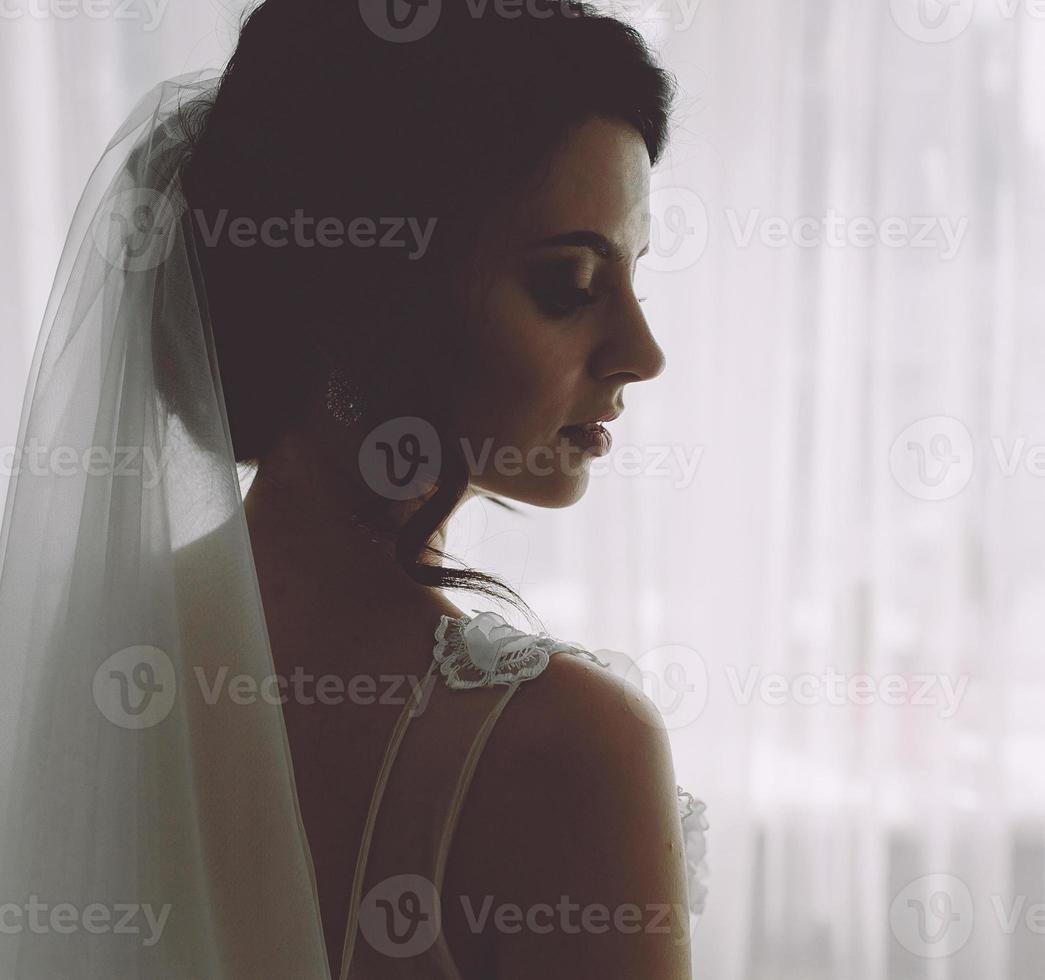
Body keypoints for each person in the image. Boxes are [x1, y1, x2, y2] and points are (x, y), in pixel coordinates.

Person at [0, 2, 707, 977]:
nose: (642, 353)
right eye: (568, 285)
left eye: (632, 279)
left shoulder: (71, 656)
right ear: (371, 305)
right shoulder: (564, 744)